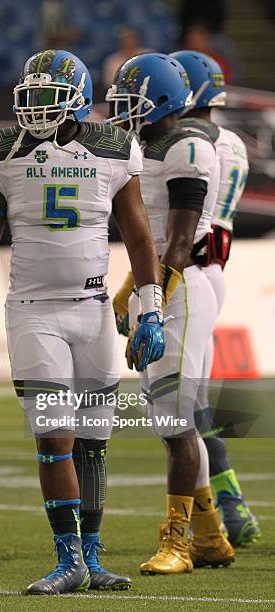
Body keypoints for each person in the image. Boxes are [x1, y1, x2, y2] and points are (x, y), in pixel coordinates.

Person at [0, 49, 165, 594]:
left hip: (93, 312)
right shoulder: (0, 151)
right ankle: (66, 557)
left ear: (76, 97)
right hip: (34, 313)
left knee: (94, 439)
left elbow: (139, 236)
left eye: (46, 96)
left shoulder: (116, 147)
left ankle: (91, 558)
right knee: (54, 434)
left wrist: (151, 308)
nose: (33, 107)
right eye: (28, 95)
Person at [107, 52, 234, 574]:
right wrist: (130, 289)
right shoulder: (151, 144)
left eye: (129, 101)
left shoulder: (187, 146)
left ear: (158, 99)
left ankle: (178, 541)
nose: (120, 111)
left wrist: (152, 302)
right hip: (162, 283)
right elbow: (152, 240)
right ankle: (209, 536)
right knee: (173, 417)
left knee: (175, 419)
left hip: (180, 283)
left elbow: (179, 242)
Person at [172, 49, 261, 547]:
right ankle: (225, 504)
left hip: (192, 269)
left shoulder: (195, 144)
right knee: (192, 405)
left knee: (187, 408)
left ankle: (223, 510)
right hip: (209, 268)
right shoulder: (229, 141)